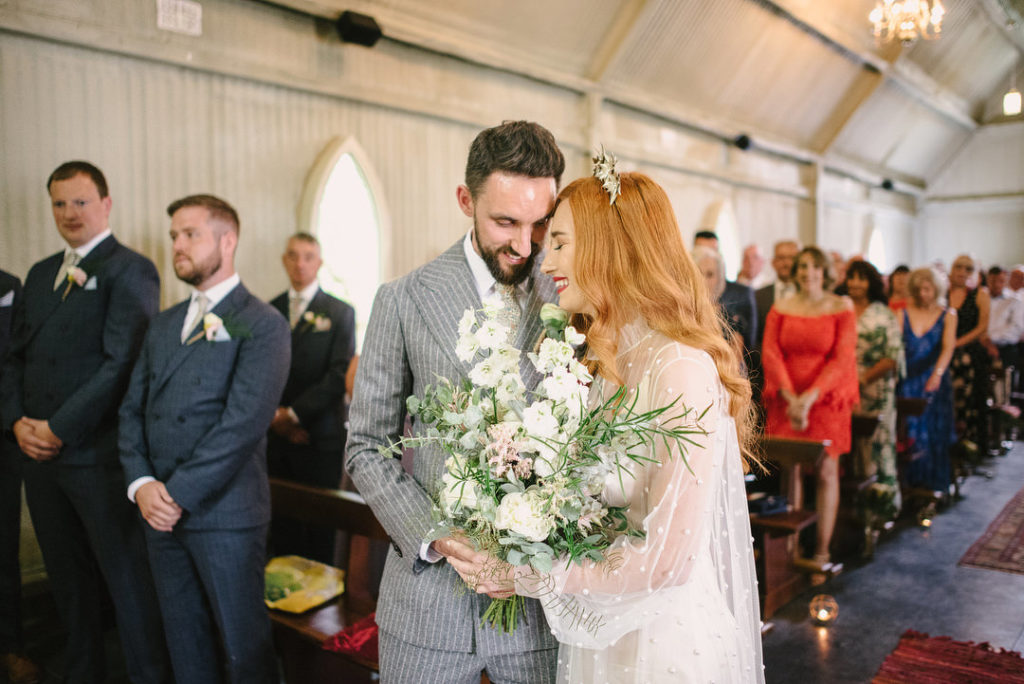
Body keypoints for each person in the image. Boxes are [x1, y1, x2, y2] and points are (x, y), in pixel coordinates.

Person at [497, 169, 764, 682]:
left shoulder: (679, 367)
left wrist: (536, 574)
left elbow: (670, 560)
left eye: (559, 242)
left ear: (609, 246)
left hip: (665, 647)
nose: (545, 260)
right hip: (608, 630)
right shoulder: (611, 357)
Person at [345, 121, 564, 683]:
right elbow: (366, 446)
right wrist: (438, 534)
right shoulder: (402, 299)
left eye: (541, 223)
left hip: (542, 617)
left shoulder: (573, 295)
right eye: (505, 221)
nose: (524, 244)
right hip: (428, 612)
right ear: (466, 200)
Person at [0, 162, 169, 684]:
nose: (69, 214)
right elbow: (14, 357)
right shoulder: (40, 272)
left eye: (80, 202)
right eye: (59, 203)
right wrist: (17, 423)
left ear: (106, 204)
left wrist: (58, 427)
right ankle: (83, 673)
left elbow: (122, 363)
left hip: (96, 457)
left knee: (124, 581)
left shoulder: (131, 269)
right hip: (39, 458)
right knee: (66, 583)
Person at [119, 194, 291, 684]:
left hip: (224, 515)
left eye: (190, 233)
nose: (177, 244)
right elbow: (131, 409)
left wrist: (175, 494)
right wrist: (142, 485)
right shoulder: (164, 324)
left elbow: (242, 426)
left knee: (243, 650)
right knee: (184, 644)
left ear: (227, 240)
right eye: (174, 235)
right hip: (159, 514)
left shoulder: (263, 323)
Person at [761, 246, 858, 569]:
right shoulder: (781, 307)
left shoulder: (841, 307)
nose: (808, 272)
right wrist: (791, 397)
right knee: (792, 471)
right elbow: (771, 354)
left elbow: (842, 357)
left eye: (815, 266)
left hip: (826, 400)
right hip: (788, 399)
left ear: (825, 271)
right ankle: (790, 552)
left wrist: (811, 396)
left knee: (827, 472)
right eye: (803, 266)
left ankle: (821, 551)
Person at [267, 232, 356, 564]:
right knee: (282, 523)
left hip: (320, 436)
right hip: (276, 436)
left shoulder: (339, 312)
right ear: (284, 260)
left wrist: (293, 415)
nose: (300, 263)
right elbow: (262, 371)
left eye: (307, 256)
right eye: (293, 255)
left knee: (320, 525)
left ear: (319, 263)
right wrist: (275, 418)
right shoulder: (269, 309)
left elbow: (338, 375)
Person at [0, 269, 41, 684]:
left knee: (2, 549)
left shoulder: (9, 286)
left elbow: (16, 359)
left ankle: (9, 647)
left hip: (1, 440)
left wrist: (12, 420)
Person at [845, 261, 903, 515]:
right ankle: (855, 509)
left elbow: (892, 357)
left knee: (878, 444)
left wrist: (863, 379)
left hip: (875, 388)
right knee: (853, 448)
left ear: (872, 282)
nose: (856, 283)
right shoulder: (840, 307)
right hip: (844, 387)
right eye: (851, 277)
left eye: (862, 278)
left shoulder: (883, 313)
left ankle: (882, 506)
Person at [899, 267, 956, 495]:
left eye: (928, 289)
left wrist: (937, 374)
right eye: (919, 289)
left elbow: (947, 347)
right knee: (910, 431)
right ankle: (910, 483)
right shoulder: (903, 312)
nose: (923, 294)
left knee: (933, 433)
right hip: (909, 379)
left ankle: (933, 483)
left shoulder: (948, 314)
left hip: (934, 380)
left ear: (936, 290)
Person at [947, 254, 991, 452]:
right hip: (947, 352)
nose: (962, 272)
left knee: (972, 399)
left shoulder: (980, 294)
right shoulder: (944, 293)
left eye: (968, 268)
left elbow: (982, 327)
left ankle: (972, 444)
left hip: (971, 352)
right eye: (959, 267)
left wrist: (957, 343)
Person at [692, 245, 757, 357]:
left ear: (719, 278)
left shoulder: (731, 320)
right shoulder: (680, 314)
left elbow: (736, 365)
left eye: (710, 274)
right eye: (698, 273)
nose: (703, 281)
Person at [984, 266, 1024, 371]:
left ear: (1006, 281)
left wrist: (992, 339)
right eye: (993, 281)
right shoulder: (981, 297)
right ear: (988, 280)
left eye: (1001, 281)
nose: (997, 285)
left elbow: (1016, 328)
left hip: (1006, 346)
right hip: (983, 345)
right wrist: (987, 343)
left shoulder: (1014, 300)